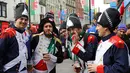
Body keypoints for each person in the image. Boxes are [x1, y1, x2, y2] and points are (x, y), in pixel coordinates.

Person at [87, 8, 129, 73]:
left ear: (105, 28)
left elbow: (121, 68)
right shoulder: (102, 41)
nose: (96, 28)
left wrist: (99, 69)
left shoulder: (118, 44)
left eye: (98, 25)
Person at [0, 3, 29, 73]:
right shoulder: (7, 33)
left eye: (26, 20)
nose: (23, 21)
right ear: (16, 19)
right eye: (21, 19)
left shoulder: (26, 34)